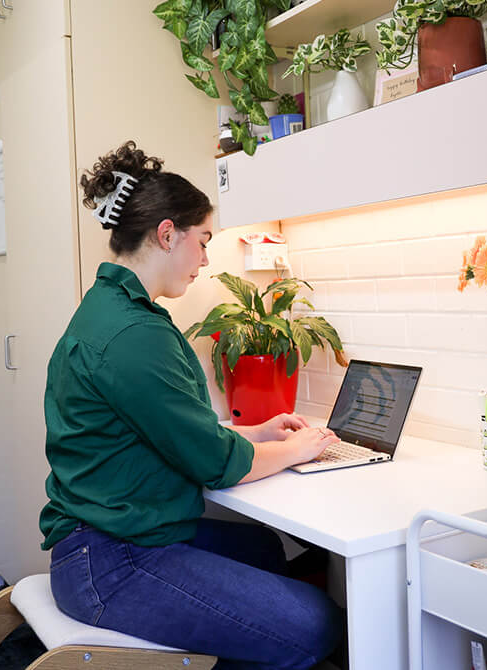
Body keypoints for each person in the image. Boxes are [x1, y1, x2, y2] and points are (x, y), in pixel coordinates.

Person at [39, 141, 343, 669]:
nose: (205, 259)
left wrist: (262, 434)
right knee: (314, 623)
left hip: (109, 538)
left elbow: (168, 432)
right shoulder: (133, 334)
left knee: (266, 551)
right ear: (165, 233)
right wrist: (301, 449)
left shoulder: (111, 310)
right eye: (201, 242)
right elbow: (212, 463)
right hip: (112, 562)